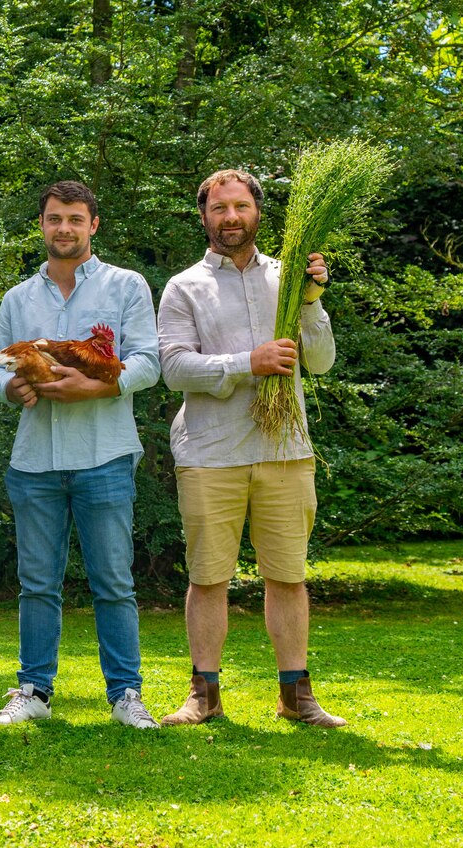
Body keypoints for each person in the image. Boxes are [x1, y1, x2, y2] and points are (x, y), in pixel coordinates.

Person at [156, 168, 345, 728]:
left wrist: (312, 301)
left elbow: (320, 362)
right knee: (208, 577)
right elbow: (174, 368)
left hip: (285, 450)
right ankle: (204, 694)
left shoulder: (290, 278)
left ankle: (296, 695)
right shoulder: (183, 286)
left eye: (240, 206)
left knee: (287, 575)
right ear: (204, 217)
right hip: (210, 453)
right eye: (219, 209)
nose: (231, 217)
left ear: (258, 212)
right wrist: (248, 363)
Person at [0, 180, 162, 729]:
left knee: (113, 582)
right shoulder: (17, 299)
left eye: (75, 218)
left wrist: (99, 386)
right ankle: (33, 689)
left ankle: (125, 694)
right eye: (55, 218)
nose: (65, 228)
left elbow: (149, 361)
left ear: (93, 225)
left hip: (104, 453)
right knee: (37, 582)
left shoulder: (125, 286)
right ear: (42, 224)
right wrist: (9, 389)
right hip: (34, 459)